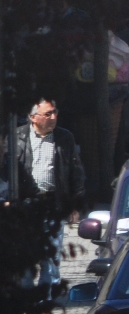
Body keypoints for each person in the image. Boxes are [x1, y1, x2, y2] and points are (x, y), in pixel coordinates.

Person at [7, 98, 84, 297]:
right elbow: (7, 171)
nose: (53, 117)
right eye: (48, 114)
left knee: (51, 254)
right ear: (33, 117)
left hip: (53, 204)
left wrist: (75, 205)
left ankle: (46, 299)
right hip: (25, 205)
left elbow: (75, 172)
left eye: (55, 112)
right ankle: (26, 296)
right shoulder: (17, 137)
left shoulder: (64, 138)